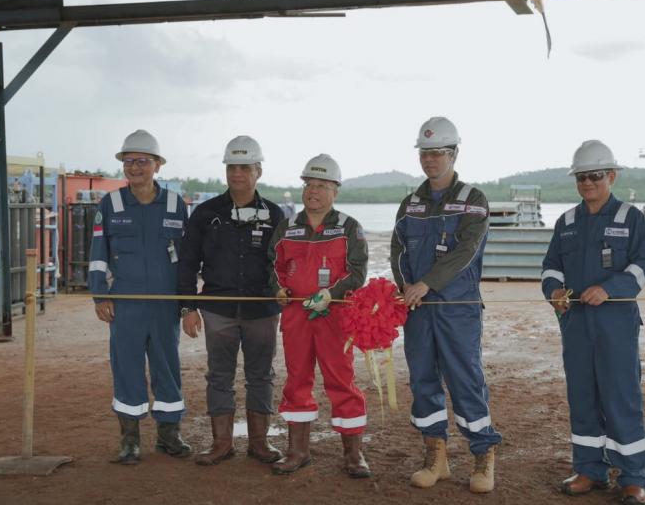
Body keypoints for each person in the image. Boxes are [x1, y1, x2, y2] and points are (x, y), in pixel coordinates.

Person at [391, 116, 502, 494]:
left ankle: (483, 455)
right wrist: (405, 285)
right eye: (425, 153)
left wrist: (427, 283)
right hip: (418, 308)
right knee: (423, 380)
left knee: (465, 380)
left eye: (438, 152)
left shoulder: (473, 200)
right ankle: (435, 456)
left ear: (454, 153)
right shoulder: (411, 203)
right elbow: (398, 250)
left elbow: (467, 251)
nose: (430, 160)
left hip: (457, 308)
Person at [540, 140, 645, 504]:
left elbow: (641, 267)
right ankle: (590, 469)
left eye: (595, 176)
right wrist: (554, 291)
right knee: (582, 396)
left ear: (611, 176)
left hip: (615, 324)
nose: (587, 183)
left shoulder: (630, 218)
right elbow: (550, 267)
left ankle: (633, 476)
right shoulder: (567, 222)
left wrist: (609, 288)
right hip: (575, 324)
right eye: (581, 177)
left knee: (621, 396)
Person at [178, 135, 285, 466]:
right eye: (231, 167)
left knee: (261, 376)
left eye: (244, 167)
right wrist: (187, 307)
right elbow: (187, 262)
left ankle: (260, 443)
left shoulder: (275, 214)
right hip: (218, 310)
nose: (237, 173)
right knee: (219, 375)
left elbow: (285, 264)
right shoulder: (206, 213)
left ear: (258, 171)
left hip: (262, 311)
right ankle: (221, 443)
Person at [88, 129, 191, 464]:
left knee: (167, 367)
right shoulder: (111, 203)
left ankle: (169, 436)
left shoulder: (176, 205)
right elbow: (98, 252)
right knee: (126, 367)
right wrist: (99, 295)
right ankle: (130, 441)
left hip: (165, 305)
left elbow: (188, 259)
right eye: (129, 161)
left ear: (157, 165)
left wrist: (188, 303)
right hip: (126, 305)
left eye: (142, 161)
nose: (135, 167)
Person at [267, 153, 371, 478]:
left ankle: (353, 455)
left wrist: (330, 294)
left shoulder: (349, 227)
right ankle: (298, 451)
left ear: (335, 190)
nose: (313, 191)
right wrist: (278, 288)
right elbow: (273, 265)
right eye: (309, 184)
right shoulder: (286, 227)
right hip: (296, 316)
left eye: (322, 185)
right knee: (297, 379)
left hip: (335, 316)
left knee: (341, 380)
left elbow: (358, 273)